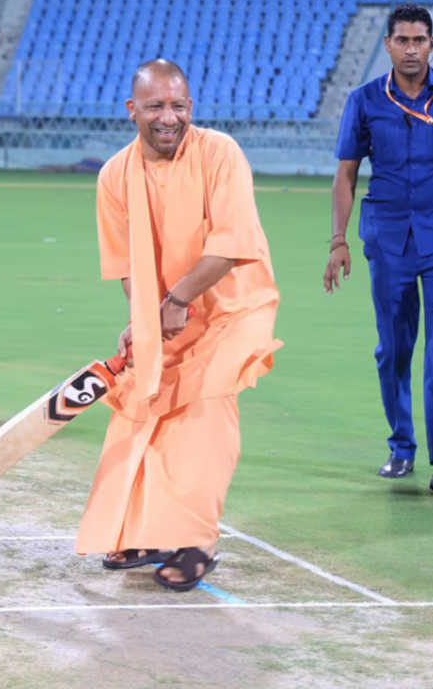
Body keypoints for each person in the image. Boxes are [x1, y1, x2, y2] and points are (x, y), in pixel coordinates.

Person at [74, 59, 282, 591]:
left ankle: (198, 543)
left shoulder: (220, 153)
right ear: (131, 110)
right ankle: (143, 533)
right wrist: (141, 319)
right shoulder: (114, 175)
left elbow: (233, 245)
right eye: (156, 107)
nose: (170, 118)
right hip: (169, 311)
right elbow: (126, 265)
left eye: (179, 106)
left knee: (204, 415)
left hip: (235, 308)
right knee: (140, 408)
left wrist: (176, 300)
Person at [324, 4, 433, 495]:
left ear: (432, 44)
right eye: (402, 40)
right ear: (388, 45)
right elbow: (346, 173)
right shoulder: (364, 101)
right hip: (389, 238)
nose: (412, 49)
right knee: (394, 348)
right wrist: (338, 240)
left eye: (420, 40)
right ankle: (402, 446)